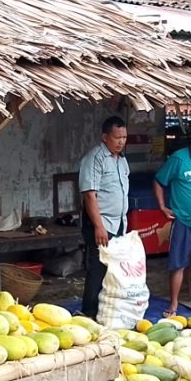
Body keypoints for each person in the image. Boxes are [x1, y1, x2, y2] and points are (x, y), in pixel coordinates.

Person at [78, 116, 130, 319]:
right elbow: (90, 195)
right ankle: (89, 312)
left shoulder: (122, 160)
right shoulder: (95, 158)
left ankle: (107, 310)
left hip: (118, 224)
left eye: (124, 137)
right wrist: (98, 226)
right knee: (97, 270)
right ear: (105, 137)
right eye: (117, 137)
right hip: (101, 224)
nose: (121, 141)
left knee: (113, 270)